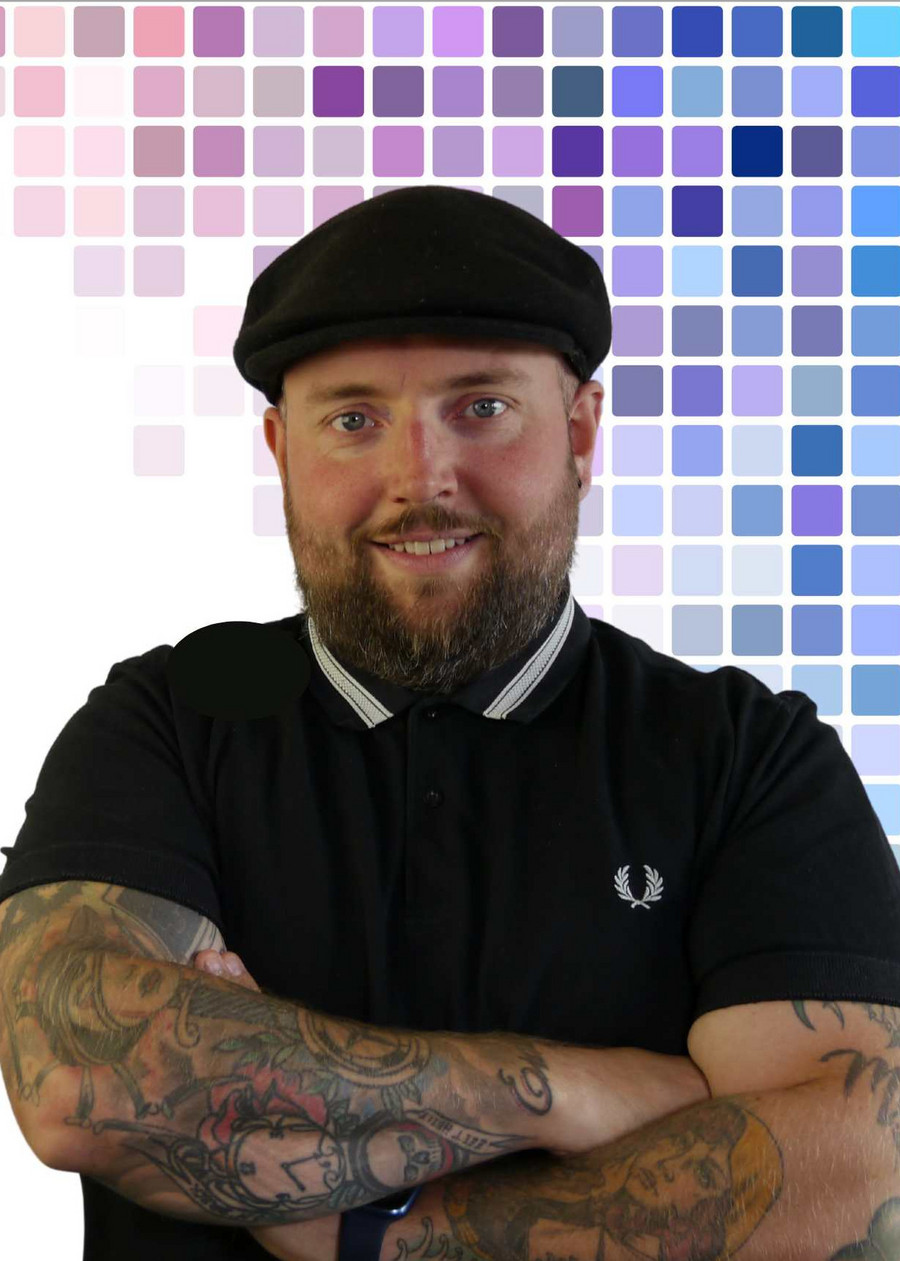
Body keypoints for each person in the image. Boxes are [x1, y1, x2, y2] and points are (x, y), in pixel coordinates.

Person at [2, 185, 900, 1261]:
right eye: (353, 419)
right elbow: (78, 1076)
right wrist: (569, 1091)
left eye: (481, 408)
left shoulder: (748, 756)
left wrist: (375, 1235)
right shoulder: (159, 727)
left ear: (580, 430)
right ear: (282, 449)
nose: (418, 481)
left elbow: (852, 1174)